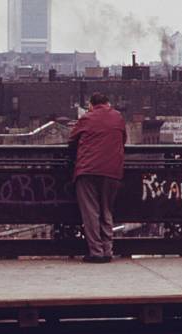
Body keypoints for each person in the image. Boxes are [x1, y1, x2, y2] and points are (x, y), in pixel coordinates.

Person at [69, 93, 127, 264]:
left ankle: (96, 252)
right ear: (108, 103)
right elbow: (123, 140)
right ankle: (108, 250)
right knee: (106, 211)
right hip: (112, 171)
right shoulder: (118, 117)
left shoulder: (87, 118)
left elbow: (71, 140)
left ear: (91, 105)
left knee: (91, 213)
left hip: (88, 170)